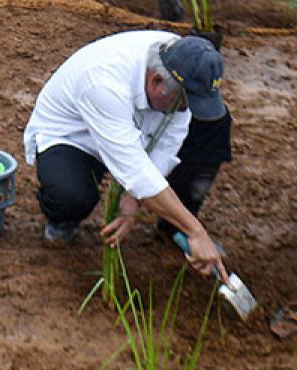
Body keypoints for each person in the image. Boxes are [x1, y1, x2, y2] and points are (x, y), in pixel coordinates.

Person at [23, 31, 231, 284]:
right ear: (156, 81)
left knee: (213, 127)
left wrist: (132, 198)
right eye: (183, 102)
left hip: (134, 129)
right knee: (71, 197)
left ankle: (175, 227)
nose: (185, 110)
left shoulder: (186, 62)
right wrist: (196, 230)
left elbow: (167, 144)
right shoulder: (103, 83)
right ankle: (62, 221)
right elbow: (134, 170)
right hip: (75, 137)